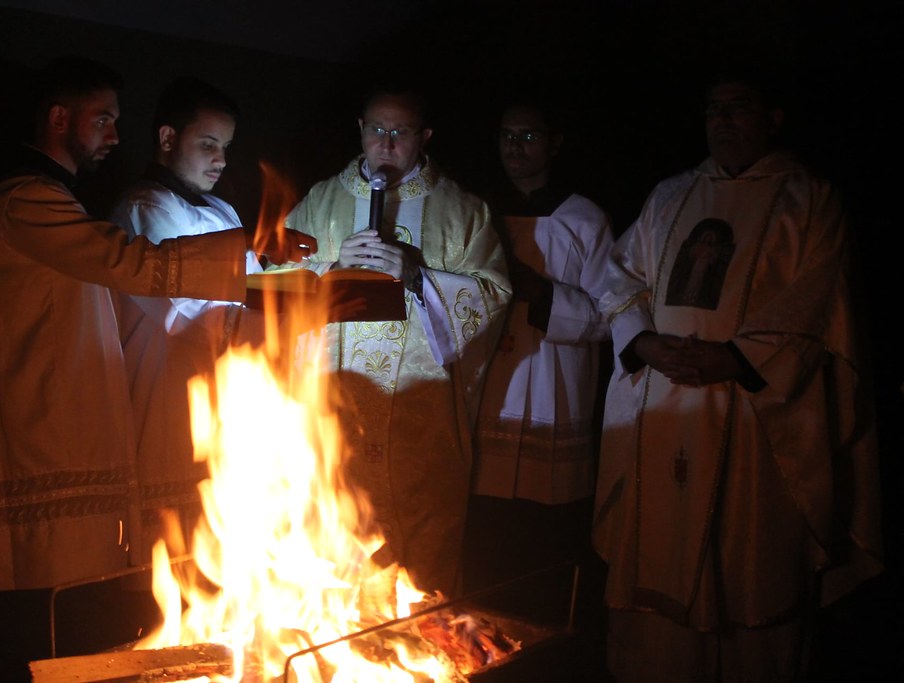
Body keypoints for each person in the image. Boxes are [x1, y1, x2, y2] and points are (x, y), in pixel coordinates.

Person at [0, 56, 316, 596]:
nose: (115, 136)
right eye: (103, 120)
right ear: (59, 118)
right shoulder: (27, 200)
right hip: (55, 397)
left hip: (112, 393)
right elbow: (136, 268)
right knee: (61, 567)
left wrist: (292, 299)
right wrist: (267, 273)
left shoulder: (57, 198)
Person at [592, 70, 883, 682]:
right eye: (713, 110)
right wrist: (643, 341)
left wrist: (739, 359)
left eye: (738, 108)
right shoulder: (670, 196)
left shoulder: (808, 199)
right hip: (662, 400)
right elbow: (619, 275)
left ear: (772, 118)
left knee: (748, 565)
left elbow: (819, 298)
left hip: (755, 411)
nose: (722, 121)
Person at [275, 85, 512, 597]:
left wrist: (417, 276)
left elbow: (493, 295)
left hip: (419, 429)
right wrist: (331, 269)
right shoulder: (321, 202)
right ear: (360, 129)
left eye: (400, 132)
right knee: (332, 567)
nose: (385, 143)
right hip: (332, 416)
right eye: (376, 130)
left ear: (424, 136)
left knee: (420, 573)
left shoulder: (463, 211)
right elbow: (273, 281)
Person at [465, 97, 614, 600]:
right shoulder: (476, 214)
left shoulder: (585, 219)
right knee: (487, 535)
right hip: (491, 385)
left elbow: (610, 316)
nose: (516, 147)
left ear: (554, 143)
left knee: (542, 542)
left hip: (555, 387)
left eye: (528, 136)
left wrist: (540, 293)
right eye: (507, 136)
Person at [110, 77, 262, 565]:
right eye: (208, 144)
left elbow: (255, 291)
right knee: (166, 557)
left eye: (227, 148)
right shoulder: (145, 208)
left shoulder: (221, 210)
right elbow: (189, 316)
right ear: (167, 138)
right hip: (166, 398)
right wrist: (288, 314)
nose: (221, 160)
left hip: (227, 403)